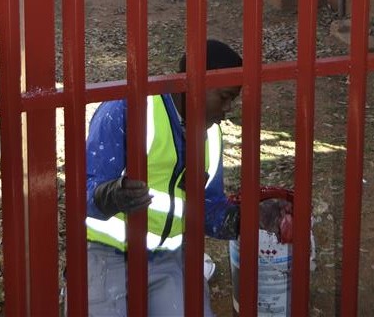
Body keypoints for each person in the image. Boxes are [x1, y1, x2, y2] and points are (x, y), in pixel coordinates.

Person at [85, 39, 280, 316]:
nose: (227, 110)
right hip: (105, 253)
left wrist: (247, 218)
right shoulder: (128, 110)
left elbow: (209, 209)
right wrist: (111, 195)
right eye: (224, 97)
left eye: (232, 100)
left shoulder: (211, 136)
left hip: (167, 258)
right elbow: (84, 192)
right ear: (194, 83)